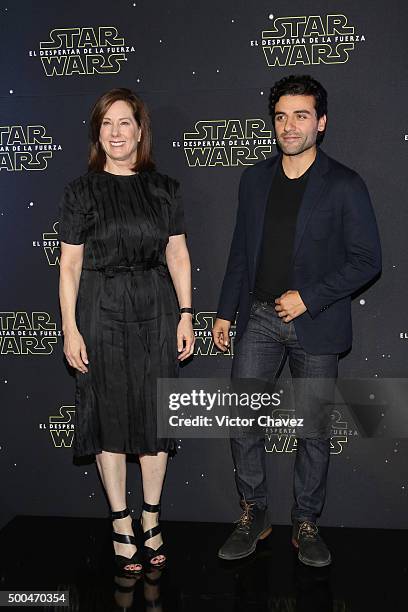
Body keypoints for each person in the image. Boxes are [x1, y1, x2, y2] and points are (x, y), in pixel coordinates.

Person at [212, 75, 381, 566]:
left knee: (313, 430)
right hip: (259, 318)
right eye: (282, 116)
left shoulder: (346, 184)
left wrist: (308, 297)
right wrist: (225, 312)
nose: (289, 126)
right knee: (242, 420)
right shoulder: (254, 179)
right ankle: (255, 511)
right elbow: (241, 252)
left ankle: (306, 522)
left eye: (301, 115)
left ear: (321, 122)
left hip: (317, 323)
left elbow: (367, 259)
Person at [58, 88, 194, 574]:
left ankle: (151, 516)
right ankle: (120, 521)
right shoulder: (81, 191)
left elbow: (177, 254)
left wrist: (186, 313)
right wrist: (70, 328)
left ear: (140, 131)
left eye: (125, 123)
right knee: (108, 416)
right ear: (98, 133)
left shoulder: (165, 189)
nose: (116, 133)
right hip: (101, 309)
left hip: (156, 309)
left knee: (156, 417)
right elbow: (70, 265)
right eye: (107, 124)